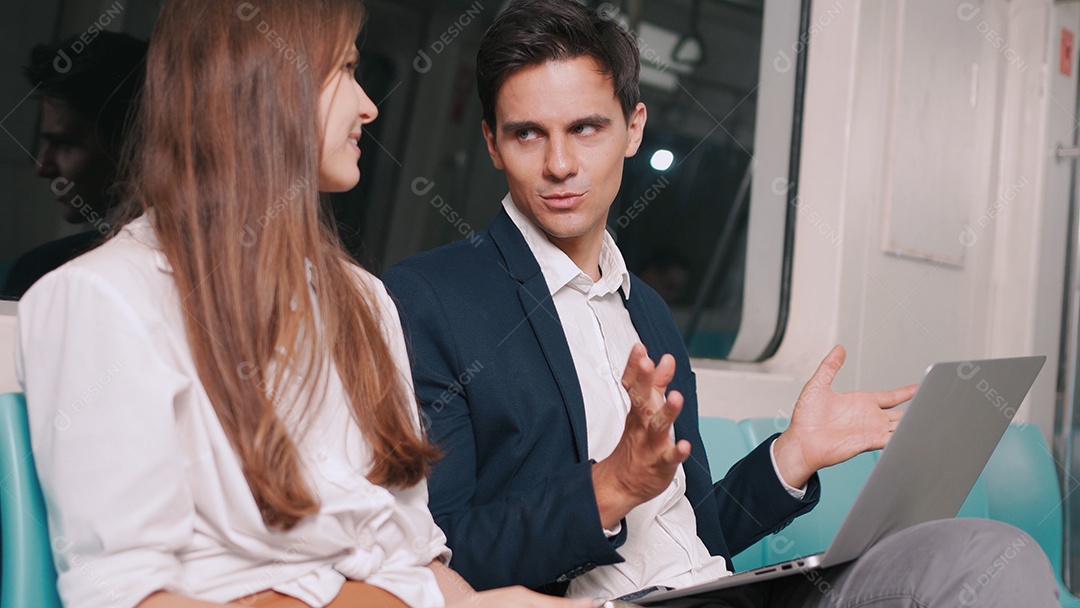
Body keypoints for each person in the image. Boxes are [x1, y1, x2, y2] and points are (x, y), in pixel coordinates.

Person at [381, 0, 1059, 605]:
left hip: (716, 589)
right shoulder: (430, 299)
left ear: (633, 128)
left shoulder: (647, 311)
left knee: (985, 555)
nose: (559, 163)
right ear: (492, 144)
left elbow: (696, 530)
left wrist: (791, 456)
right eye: (528, 133)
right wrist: (609, 488)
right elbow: (445, 551)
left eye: (586, 128)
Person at [14, 1, 592, 607]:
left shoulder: (363, 299)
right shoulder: (101, 298)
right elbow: (128, 595)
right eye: (344, 70)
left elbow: (413, 557)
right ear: (262, 85)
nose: (369, 107)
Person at [2, 31, 147, 300]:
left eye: (65, 144)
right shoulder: (43, 270)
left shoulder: (46, 274)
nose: (42, 167)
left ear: (131, 143)